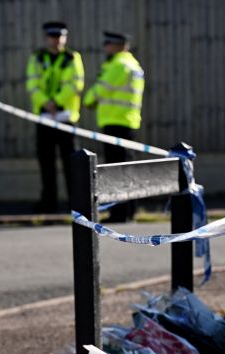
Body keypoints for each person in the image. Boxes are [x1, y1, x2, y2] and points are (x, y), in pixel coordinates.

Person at [83, 31, 145, 222]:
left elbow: (101, 89)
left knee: (116, 170)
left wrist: (88, 100)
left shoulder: (118, 64)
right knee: (127, 168)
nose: (106, 47)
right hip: (127, 121)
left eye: (108, 44)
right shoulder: (132, 64)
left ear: (119, 45)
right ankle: (129, 211)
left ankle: (119, 213)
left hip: (116, 122)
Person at [26, 21, 85, 213]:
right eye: (52, 37)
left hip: (65, 117)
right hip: (44, 116)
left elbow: (75, 84)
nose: (56, 40)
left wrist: (57, 102)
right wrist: (45, 102)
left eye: (60, 37)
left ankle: (74, 203)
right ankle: (48, 202)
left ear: (65, 38)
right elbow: (32, 84)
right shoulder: (37, 58)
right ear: (46, 38)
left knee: (71, 163)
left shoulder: (72, 58)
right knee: (46, 162)